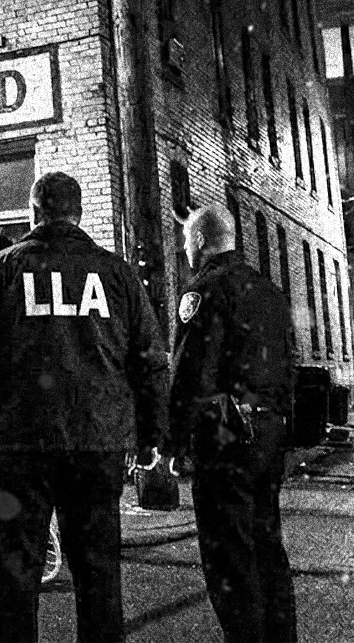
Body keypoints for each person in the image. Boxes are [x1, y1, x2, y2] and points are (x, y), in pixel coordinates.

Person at [0, 171, 169, 643]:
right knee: (98, 578)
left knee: (14, 580)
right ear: (80, 213)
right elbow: (149, 360)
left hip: (19, 447)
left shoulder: (1, 270)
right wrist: (151, 434)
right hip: (96, 445)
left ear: (33, 212)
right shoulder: (117, 275)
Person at [167, 204, 297, 643]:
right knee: (267, 549)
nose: (185, 249)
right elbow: (287, 364)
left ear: (201, 240)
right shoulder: (269, 290)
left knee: (229, 559)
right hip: (270, 431)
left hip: (226, 435)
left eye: (187, 241)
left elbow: (189, 373)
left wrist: (174, 442)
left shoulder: (203, 291)